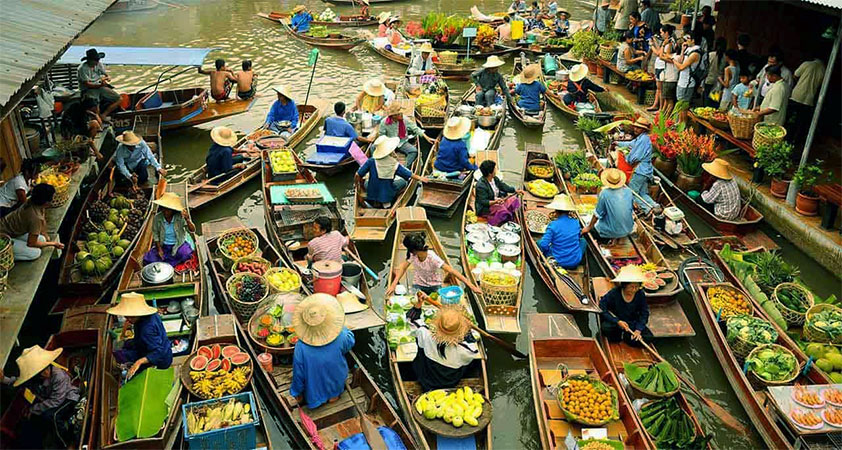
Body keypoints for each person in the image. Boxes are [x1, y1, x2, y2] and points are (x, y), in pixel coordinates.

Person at [1, 345, 80, 448]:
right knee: (31, 422)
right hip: (49, 401)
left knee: (53, 416)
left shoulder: (58, 376)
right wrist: (3, 379)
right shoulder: (33, 379)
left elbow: (56, 401)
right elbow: (17, 381)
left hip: (67, 398)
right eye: (41, 371)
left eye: (46, 369)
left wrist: (33, 409)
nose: (45, 373)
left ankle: (66, 443)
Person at [290, 294, 355, 408]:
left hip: (314, 389)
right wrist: (343, 328)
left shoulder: (300, 347)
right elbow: (350, 342)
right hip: (336, 379)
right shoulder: (341, 335)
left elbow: (298, 374)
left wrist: (296, 392)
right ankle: (333, 397)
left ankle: (319, 401)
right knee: (334, 387)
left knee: (314, 389)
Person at [406, 294, 479, 391]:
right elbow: (472, 346)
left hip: (425, 379)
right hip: (450, 381)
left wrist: (418, 304)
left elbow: (412, 320)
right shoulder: (467, 350)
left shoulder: (425, 334)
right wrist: (468, 329)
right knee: (471, 365)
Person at [386, 233, 481, 297]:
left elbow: (452, 271)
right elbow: (403, 267)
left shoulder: (432, 258)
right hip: (418, 284)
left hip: (434, 285)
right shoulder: (413, 254)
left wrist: (472, 286)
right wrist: (393, 284)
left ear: (414, 250)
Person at [109, 292, 173, 379]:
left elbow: (159, 352)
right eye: (126, 316)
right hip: (146, 345)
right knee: (125, 345)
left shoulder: (147, 330)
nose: (127, 319)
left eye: (130, 317)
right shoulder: (150, 315)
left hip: (160, 358)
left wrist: (139, 362)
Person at [356, 136, 428, 208]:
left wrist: (359, 186)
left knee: (366, 183)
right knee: (404, 182)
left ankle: (376, 200)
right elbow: (408, 174)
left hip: (372, 191)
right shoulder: (393, 163)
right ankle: (387, 201)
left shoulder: (371, 160)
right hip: (386, 193)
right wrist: (420, 178)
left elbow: (358, 174)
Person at [0, 183, 63, 261]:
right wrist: (53, 244)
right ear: (46, 202)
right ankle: (6, 256)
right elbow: (32, 243)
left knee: (43, 239)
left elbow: (42, 218)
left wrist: (45, 235)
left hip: (12, 231)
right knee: (35, 253)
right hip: (3, 236)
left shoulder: (32, 201)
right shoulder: (35, 218)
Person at [599, 265, 653, 346]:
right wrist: (617, 321)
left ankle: (626, 337)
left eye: (637, 287)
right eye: (631, 287)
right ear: (624, 285)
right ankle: (623, 336)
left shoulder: (640, 294)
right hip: (616, 323)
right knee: (606, 328)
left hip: (632, 323)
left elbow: (644, 313)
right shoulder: (614, 293)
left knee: (648, 337)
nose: (634, 290)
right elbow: (602, 307)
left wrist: (638, 330)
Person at [581, 168, 634, 245]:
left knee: (591, 228)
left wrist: (589, 227)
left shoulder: (605, 193)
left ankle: (606, 240)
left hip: (611, 231)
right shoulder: (628, 191)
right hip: (628, 229)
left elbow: (597, 214)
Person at [614, 117, 655, 213]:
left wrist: (626, 155)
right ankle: (655, 207)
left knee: (632, 193)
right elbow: (630, 144)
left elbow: (633, 158)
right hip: (645, 171)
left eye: (638, 128)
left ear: (644, 130)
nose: (636, 129)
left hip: (640, 171)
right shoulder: (640, 138)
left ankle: (648, 210)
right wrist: (617, 143)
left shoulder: (644, 140)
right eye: (635, 127)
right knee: (642, 193)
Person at [142, 192, 196, 266]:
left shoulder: (179, 217)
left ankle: (170, 261)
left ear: (173, 210)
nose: (165, 211)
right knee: (148, 259)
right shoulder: (158, 218)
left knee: (186, 255)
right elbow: (155, 234)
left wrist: (188, 219)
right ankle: (170, 261)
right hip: (164, 245)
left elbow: (192, 230)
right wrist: (159, 249)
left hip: (178, 244)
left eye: (168, 210)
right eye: (163, 209)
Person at [538, 194, 586, 269]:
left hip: (558, 261)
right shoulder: (576, 222)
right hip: (575, 261)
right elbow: (577, 237)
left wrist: (549, 249)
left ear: (556, 211)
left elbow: (543, 245)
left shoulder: (553, 225)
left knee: (539, 242)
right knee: (583, 241)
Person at [380, 102, 434, 168]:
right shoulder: (384, 122)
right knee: (373, 147)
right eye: (399, 114)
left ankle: (405, 168)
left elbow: (415, 129)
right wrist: (390, 149)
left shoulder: (405, 119)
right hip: (389, 142)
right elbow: (382, 136)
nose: (402, 115)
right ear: (394, 116)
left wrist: (426, 137)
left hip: (401, 142)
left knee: (413, 151)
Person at [789, 53, 826, 143]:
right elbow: (822, 85)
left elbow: (795, 75)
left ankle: (788, 138)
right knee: (801, 122)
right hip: (809, 99)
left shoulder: (807, 64)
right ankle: (796, 141)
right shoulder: (824, 70)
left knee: (790, 119)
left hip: (797, 95)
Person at [77, 48, 121, 121]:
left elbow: (106, 74)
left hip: (100, 86)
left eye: (98, 60)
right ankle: (98, 120)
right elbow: (87, 84)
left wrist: (107, 78)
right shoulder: (82, 68)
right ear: (89, 60)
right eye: (95, 60)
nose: (97, 62)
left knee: (119, 99)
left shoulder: (99, 64)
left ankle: (104, 115)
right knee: (95, 105)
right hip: (88, 89)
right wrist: (100, 85)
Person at [669, 30, 703, 122]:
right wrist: (683, 50)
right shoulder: (689, 50)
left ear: (693, 40)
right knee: (680, 105)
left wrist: (673, 60)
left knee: (683, 106)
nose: (686, 40)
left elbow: (681, 67)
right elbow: (681, 60)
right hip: (682, 81)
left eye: (688, 38)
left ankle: (682, 125)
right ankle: (679, 123)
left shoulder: (695, 53)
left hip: (687, 83)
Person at [475, 160, 521, 226]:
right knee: (502, 210)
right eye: (494, 169)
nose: (495, 170)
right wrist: (495, 202)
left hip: (497, 200)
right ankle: (495, 222)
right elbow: (483, 201)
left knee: (514, 199)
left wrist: (515, 190)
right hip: (486, 207)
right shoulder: (481, 185)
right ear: (489, 173)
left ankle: (506, 215)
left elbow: (503, 186)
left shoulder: (494, 178)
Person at [704, 37, 726, 108]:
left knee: (706, 101)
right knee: (714, 101)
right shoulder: (725, 57)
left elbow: (706, 68)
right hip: (718, 82)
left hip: (709, 80)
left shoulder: (710, 55)